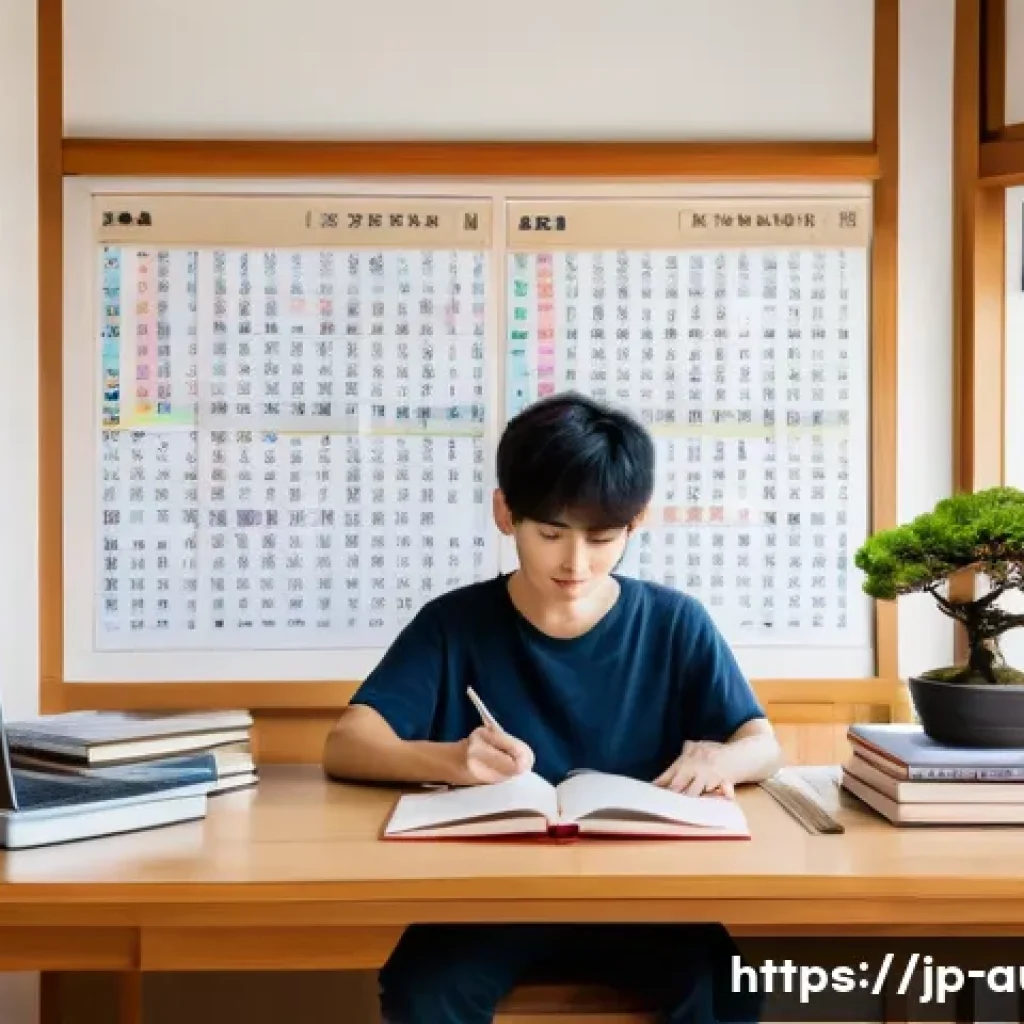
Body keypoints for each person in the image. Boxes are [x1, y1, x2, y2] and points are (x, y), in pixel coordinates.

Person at [323, 391, 782, 1023]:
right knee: (423, 991)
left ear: (636, 522)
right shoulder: (453, 624)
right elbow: (347, 742)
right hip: (486, 902)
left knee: (726, 988)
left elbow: (765, 744)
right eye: (550, 533)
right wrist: (453, 761)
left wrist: (724, 757)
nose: (575, 562)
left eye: (602, 538)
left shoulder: (675, 623)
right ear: (505, 513)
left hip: (649, 898)